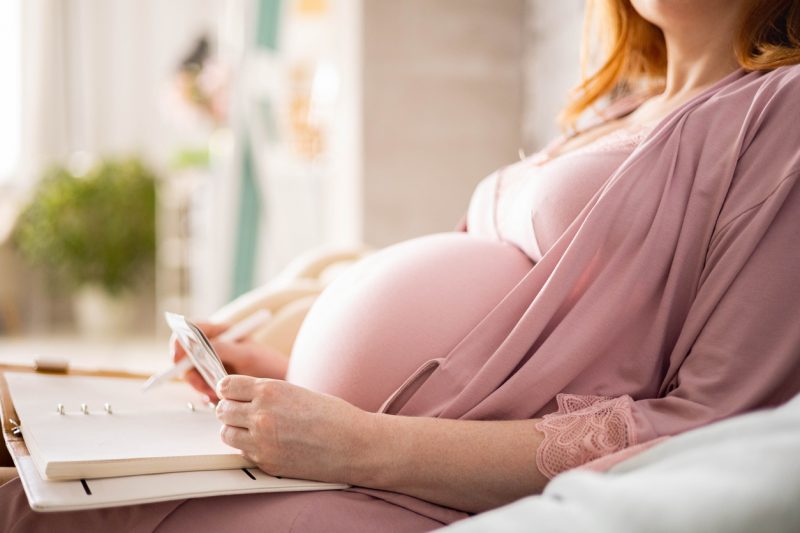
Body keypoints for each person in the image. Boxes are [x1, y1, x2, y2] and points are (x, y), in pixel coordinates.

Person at [3, 0, 800, 531]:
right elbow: (489, 340)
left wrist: (360, 443)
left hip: (403, 488)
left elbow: (704, 429)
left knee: (43, 508)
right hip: (350, 456)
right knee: (28, 453)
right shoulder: (623, 103)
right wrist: (289, 376)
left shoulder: (781, 109)